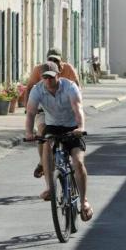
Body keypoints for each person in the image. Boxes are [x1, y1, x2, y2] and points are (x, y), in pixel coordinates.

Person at [25, 61, 92, 221]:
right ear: (41, 78)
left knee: (78, 162)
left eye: (51, 77)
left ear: (58, 75)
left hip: (72, 127)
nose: (48, 81)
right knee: (46, 145)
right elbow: (31, 113)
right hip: (53, 126)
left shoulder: (69, 87)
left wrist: (80, 127)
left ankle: (83, 202)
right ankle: (50, 187)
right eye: (45, 78)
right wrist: (28, 132)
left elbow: (78, 108)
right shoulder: (38, 90)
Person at [23, 48, 80, 180]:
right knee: (42, 130)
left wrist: (76, 105)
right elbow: (30, 87)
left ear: (61, 62)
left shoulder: (68, 69)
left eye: (56, 60)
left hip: (66, 107)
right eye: (50, 59)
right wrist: (28, 108)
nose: (53, 62)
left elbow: (77, 87)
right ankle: (43, 162)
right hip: (45, 107)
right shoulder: (39, 69)